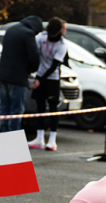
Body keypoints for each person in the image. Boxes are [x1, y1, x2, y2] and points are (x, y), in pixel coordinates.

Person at [0, 15, 42, 133]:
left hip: (3, 74)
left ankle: (3, 134)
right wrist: (32, 70)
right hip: (17, 77)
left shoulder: (11, 29)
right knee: (16, 109)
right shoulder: (28, 34)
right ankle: (13, 136)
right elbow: (34, 56)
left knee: (4, 108)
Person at [28, 17, 67, 151]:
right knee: (39, 107)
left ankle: (52, 140)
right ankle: (39, 138)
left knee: (53, 109)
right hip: (40, 75)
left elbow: (54, 66)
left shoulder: (62, 45)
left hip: (52, 78)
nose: (65, 30)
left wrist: (40, 80)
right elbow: (33, 53)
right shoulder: (41, 38)